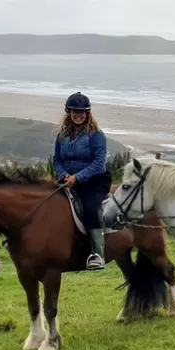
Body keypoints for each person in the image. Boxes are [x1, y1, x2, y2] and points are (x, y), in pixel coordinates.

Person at [53, 91, 110, 271]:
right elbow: (57, 160)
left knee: (91, 207)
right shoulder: (62, 135)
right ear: (68, 112)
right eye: (74, 111)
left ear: (87, 113)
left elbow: (99, 163)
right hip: (67, 179)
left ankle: (98, 254)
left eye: (82, 112)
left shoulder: (96, 135)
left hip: (95, 180)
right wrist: (64, 176)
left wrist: (77, 178)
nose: (78, 114)